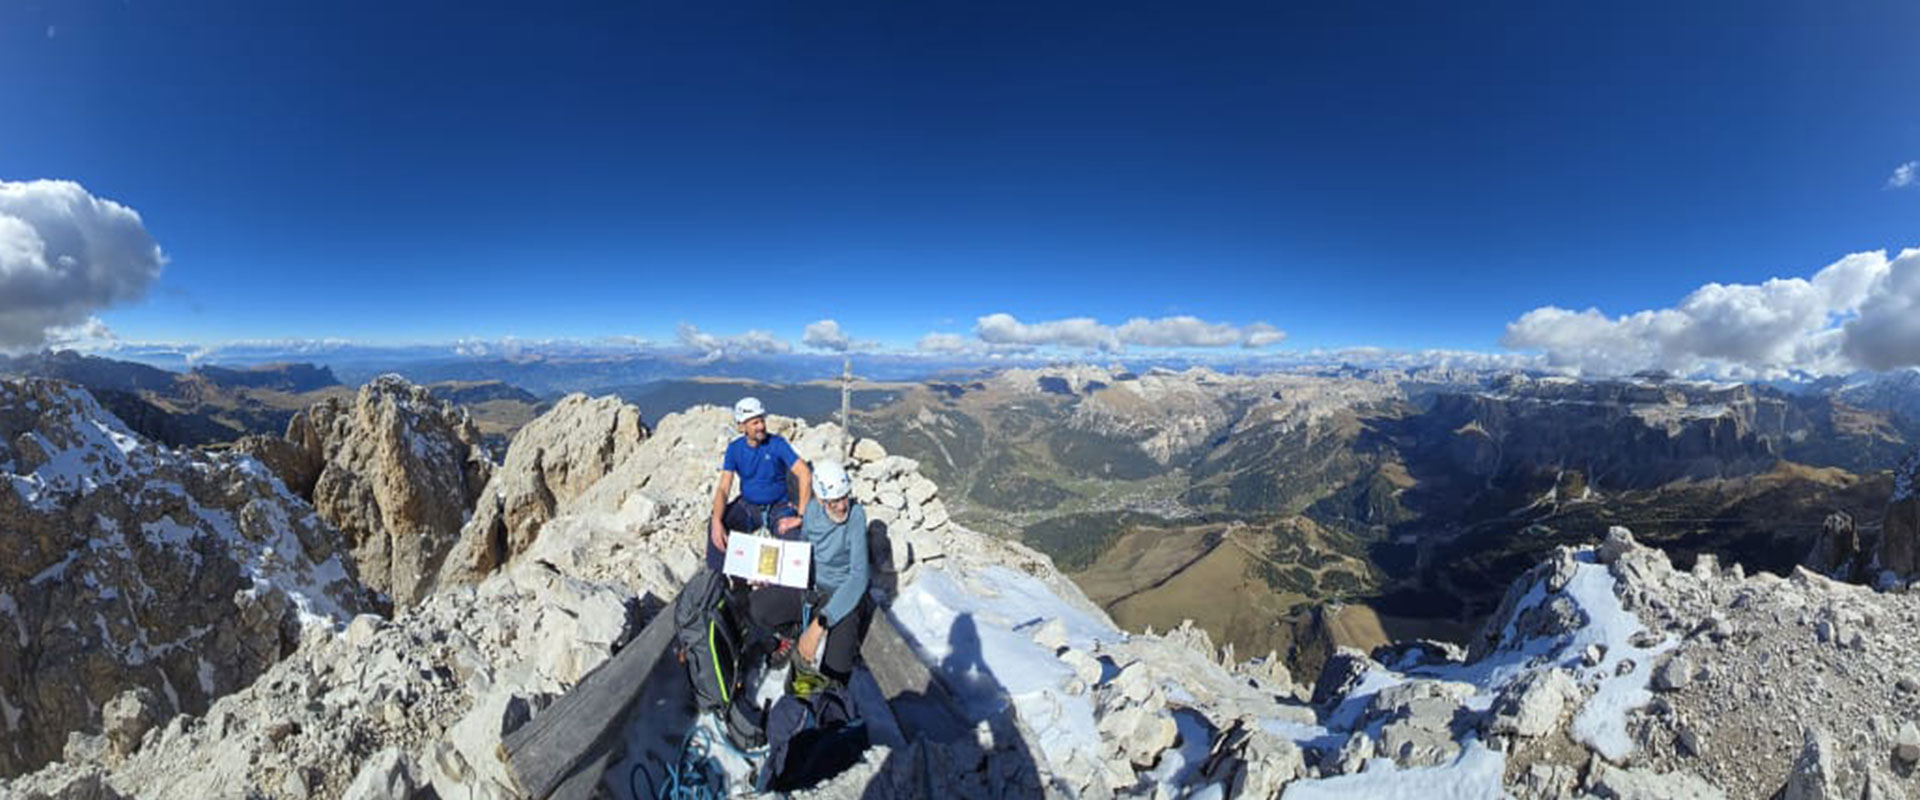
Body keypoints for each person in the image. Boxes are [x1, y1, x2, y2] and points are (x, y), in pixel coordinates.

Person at [748, 459, 872, 686]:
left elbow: (858, 577)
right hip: (813, 588)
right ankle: (796, 635)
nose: (842, 506)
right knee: (759, 607)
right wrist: (775, 575)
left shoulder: (856, 516)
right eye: (834, 501)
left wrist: (819, 625)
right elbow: (803, 552)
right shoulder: (813, 511)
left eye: (845, 497)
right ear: (821, 499)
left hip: (844, 595)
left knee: (834, 671)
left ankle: (829, 705)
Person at [709, 396, 813, 572]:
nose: (761, 426)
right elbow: (723, 488)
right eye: (755, 423)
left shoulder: (777, 444)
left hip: (778, 507)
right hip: (747, 506)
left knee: (795, 540)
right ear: (742, 426)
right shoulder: (735, 449)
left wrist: (800, 517)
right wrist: (716, 520)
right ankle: (717, 580)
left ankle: (795, 590)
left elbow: (805, 474)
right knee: (716, 527)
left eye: (762, 420)